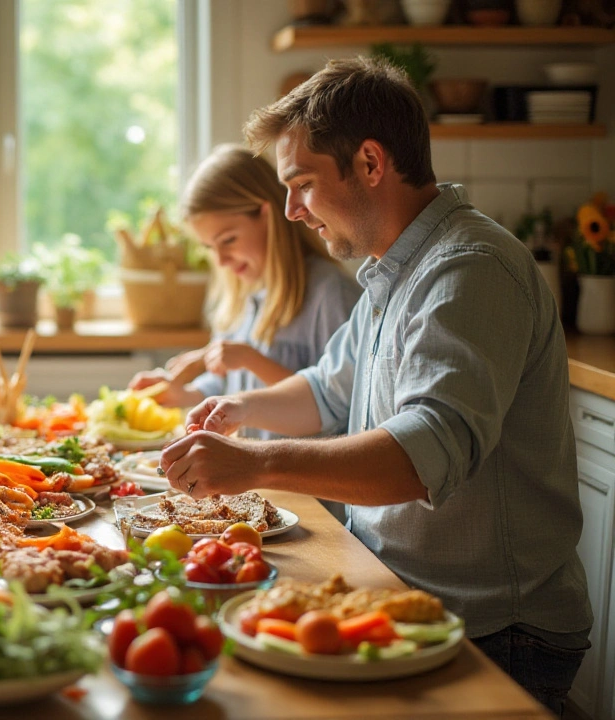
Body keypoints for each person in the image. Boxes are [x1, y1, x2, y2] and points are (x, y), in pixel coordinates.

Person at [161, 56, 590, 715]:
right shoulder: (395, 270)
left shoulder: (468, 271)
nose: (292, 211)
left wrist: (255, 461)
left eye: (300, 183)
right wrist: (237, 408)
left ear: (369, 163)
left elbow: (422, 455)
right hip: (405, 590)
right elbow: (327, 392)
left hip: (499, 633)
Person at [128, 145, 361, 440]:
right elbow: (226, 385)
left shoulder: (329, 294)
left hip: (299, 480)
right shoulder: (238, 298)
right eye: (210, 248)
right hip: (251, 476)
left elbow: (335, 403)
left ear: (268, 215)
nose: (221, 261)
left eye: (228, 240)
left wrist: (250, 359)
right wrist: (185, 393)